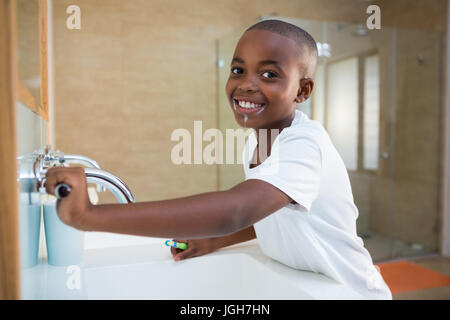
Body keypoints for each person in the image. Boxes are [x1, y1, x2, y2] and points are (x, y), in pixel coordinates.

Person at [45, 19, 392, 299]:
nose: (246, 84)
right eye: (238, 70)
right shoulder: (257, 141)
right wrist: (216, 240)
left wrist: (87, 215)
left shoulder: (305, 144)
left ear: (302, 90)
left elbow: (236, 210)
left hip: (350, 291)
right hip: (307, 282)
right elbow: (269, 213)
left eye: (269, 74)